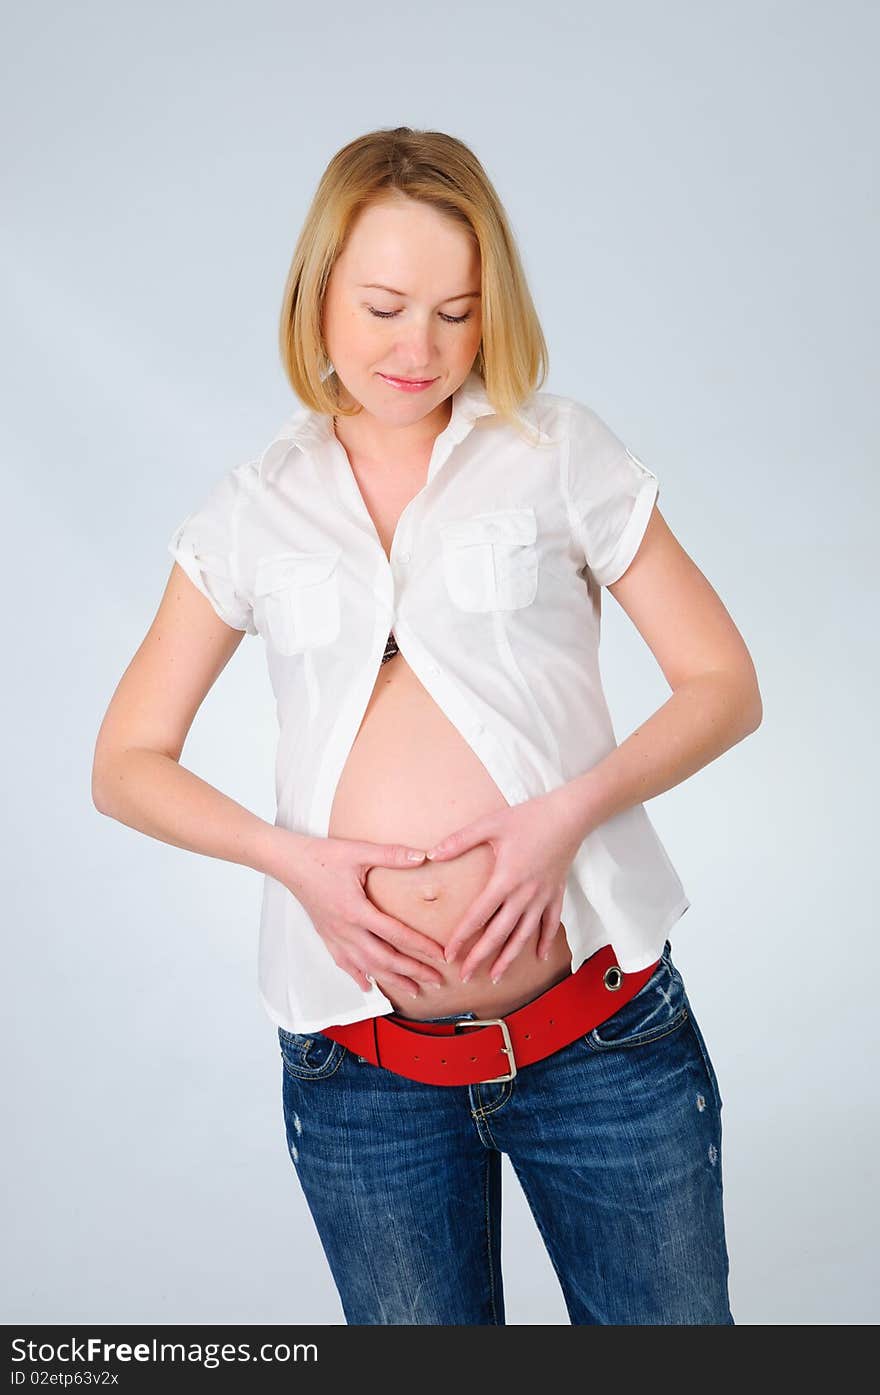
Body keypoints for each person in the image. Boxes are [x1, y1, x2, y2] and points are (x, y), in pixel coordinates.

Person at [92, 126, 761, 1325]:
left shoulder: (556, 454)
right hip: (364, 1081)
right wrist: (292, 862)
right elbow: (125, 764)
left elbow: (721, 681)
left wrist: (563, 819)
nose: (421, 348)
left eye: (456, 312)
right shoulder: (252, 509)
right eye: (387, 306)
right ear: (318, 296)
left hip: (602, 1042)